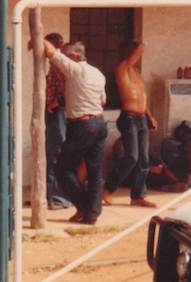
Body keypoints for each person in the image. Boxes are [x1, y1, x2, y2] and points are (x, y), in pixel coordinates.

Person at [42, 40, 107, 225]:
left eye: (65, 55)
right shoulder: (98, 73)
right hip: (99, 123)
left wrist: (38, 40)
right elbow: (102, 101)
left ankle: (84, 206)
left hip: (81, 126)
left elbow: (49, 50)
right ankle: (91, 214)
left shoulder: (75, 69)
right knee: (95, 171)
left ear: (74, 57)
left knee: (62, 169)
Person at [103, 41, 157, 208]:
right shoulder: (122, 69)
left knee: (143, 160)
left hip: (140, 119)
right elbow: (136, 52)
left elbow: (141, 96)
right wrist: (143, 43)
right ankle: (108, 188)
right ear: (129, 54)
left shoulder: (136, 73)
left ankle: (138, 196)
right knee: (131, 157)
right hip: (128, 119)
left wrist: (148, 115)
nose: (139, 57)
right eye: (136, 54)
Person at [43, 33, 70, 210]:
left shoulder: (61, 65)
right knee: (50, 154)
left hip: (58, 112)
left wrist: (56, 102)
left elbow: (67, 88)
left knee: (57, 155)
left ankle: (59, 198)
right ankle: (47, 196)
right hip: (53, 112)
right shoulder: (54, 66)